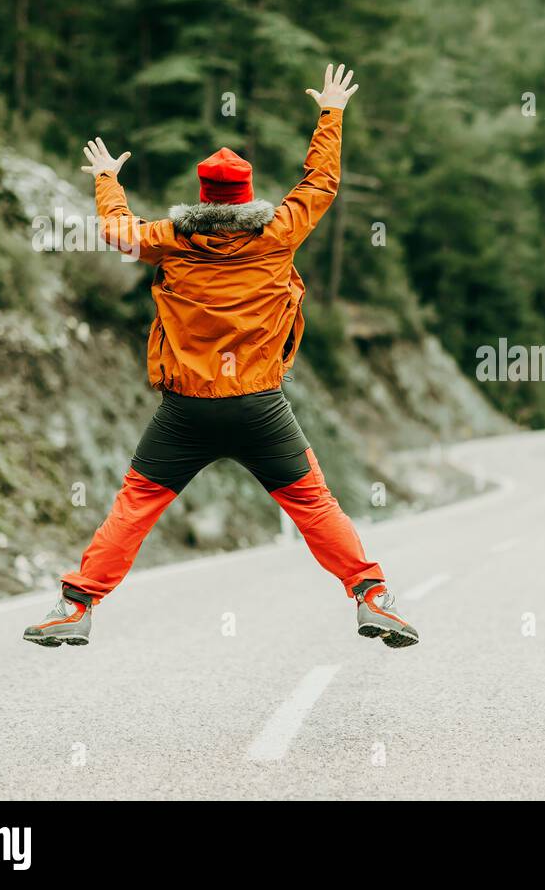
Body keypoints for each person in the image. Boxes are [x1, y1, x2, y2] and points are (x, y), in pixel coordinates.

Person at [22, 64, 418, 650]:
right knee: (313, 504)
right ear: (248, 193)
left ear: (203, 195)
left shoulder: (172, 240)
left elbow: (117, 230)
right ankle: (370, 594)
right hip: (260, 407)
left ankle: (76, 605)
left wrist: (108, 178)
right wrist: (329, 114)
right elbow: (321, 182)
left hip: (186, 411)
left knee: (136, 503)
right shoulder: (278, 232)